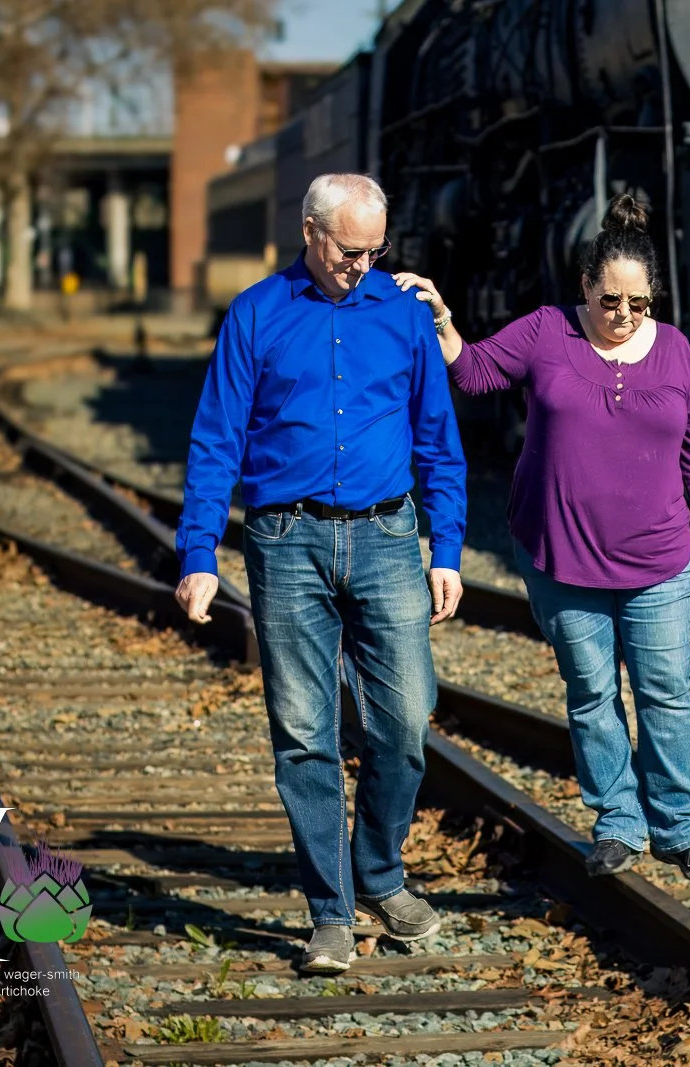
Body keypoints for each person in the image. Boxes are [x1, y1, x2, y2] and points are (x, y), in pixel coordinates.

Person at [392, 193, 690, 882]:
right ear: (585, 285)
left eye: (639, 304)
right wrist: (442, 317)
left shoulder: (674, 349)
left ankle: (681, 828)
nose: (623, 315)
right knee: (591, 696)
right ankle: (618, 823)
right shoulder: (545, 332)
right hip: (563, 556)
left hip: (658, 559)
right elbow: (473, 372)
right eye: (610, 299)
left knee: (666, 692)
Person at [174, 173, 467, 974]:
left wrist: (446, 548)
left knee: (406, 722)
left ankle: (378, 869)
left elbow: (439, 439)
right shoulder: (258, 313)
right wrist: (199, 553)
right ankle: (330, 913)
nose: (362, 264)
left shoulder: (403, 316)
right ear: (310, 231)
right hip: (286, 541)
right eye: (349, 249)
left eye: (377, 251)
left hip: (385, 537)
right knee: (303, 734)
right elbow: (215, 441)